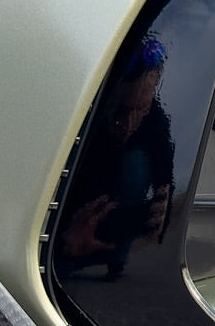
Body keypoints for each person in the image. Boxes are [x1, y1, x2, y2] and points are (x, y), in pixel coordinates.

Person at [57, 36, 175, 279]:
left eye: (141, 109)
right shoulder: (85, 110)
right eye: (122, 110)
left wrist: (161, 217)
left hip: (115, 205)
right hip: (84, 194)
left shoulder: (156, 121)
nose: (130, 124)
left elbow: (165, 180)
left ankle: (114, 254)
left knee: (136, 165)